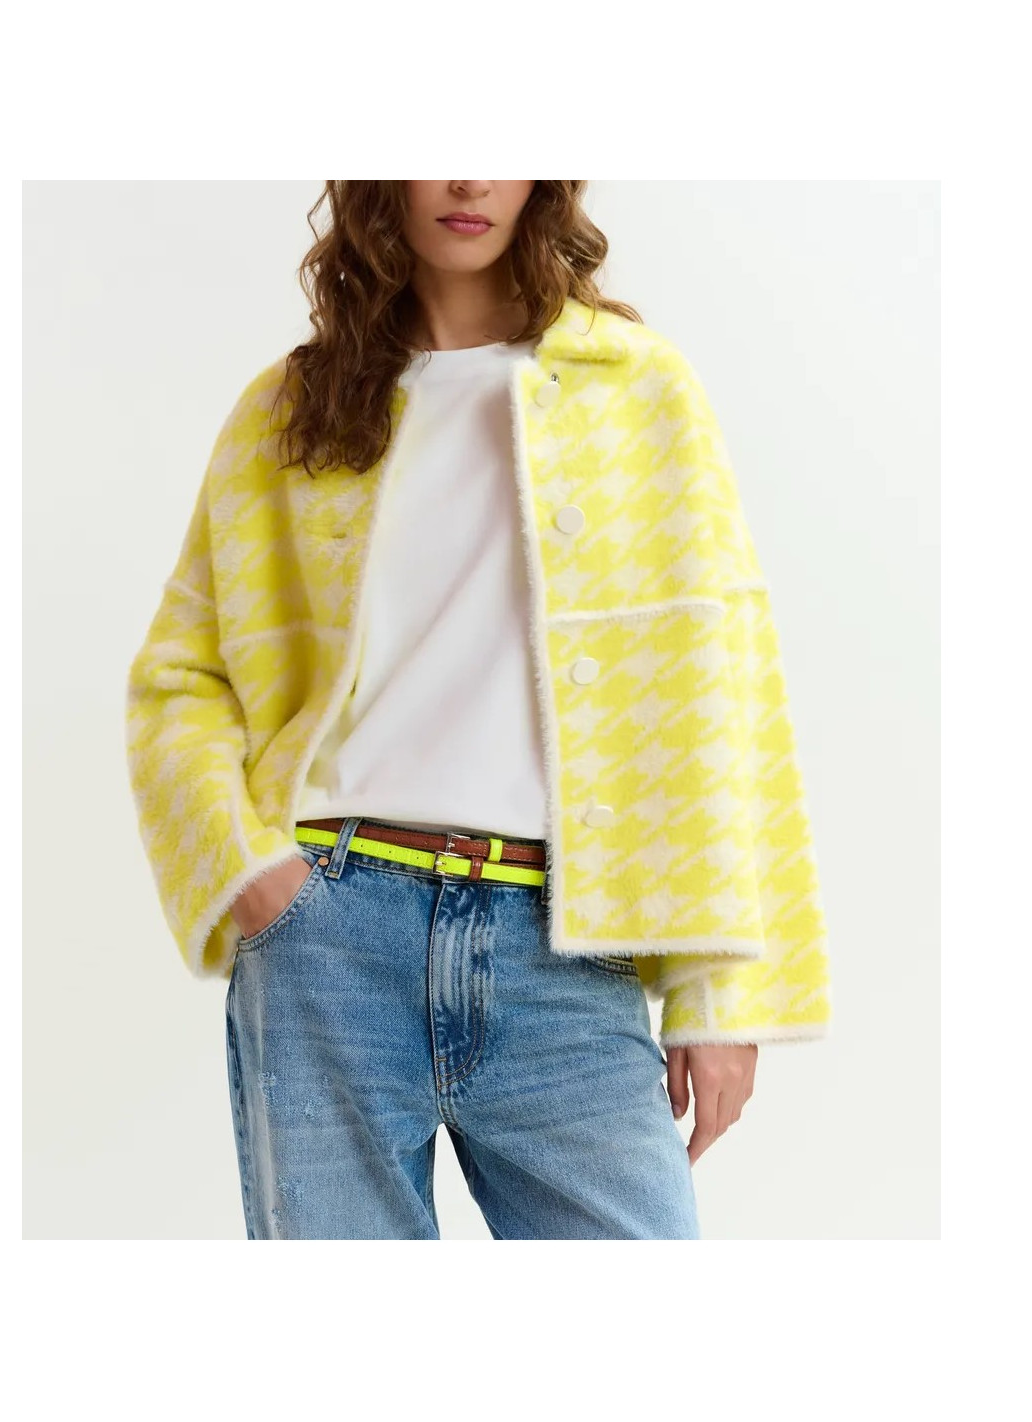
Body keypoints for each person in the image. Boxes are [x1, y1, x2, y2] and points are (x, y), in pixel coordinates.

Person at [125, 180, 832, 1240]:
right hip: (328, 938)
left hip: (564, 944)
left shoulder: (638, 389)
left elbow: (722, 689)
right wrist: (251, 875)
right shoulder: (288, 411)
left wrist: (721, 991)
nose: (468, 180)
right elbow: (181, 679)